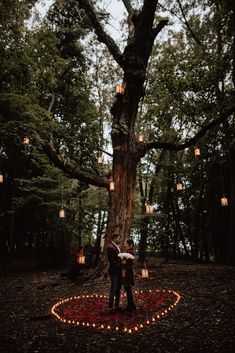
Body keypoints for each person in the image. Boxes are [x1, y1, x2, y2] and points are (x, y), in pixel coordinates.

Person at [107, 233, 122, 312]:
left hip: (119, 271)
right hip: (114, 271)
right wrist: (120, 264)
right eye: (118, 238)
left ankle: (117, 306)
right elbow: (111, 261)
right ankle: (110, 307)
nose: (119, 240)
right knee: (113, 288)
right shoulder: (110, 247)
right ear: (114, 238)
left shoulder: (118, 247)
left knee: (118, 289)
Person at [121, 238, 136, 312]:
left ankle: (130, 306)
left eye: (125, 242)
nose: (124, 243)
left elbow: (125, 265)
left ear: (128, 244)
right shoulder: (127, 252)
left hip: (127, 272)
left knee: (127, 288)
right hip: (128, 272)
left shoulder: (129, 252)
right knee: (128, 289)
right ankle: (131, 305)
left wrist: (123, 275)